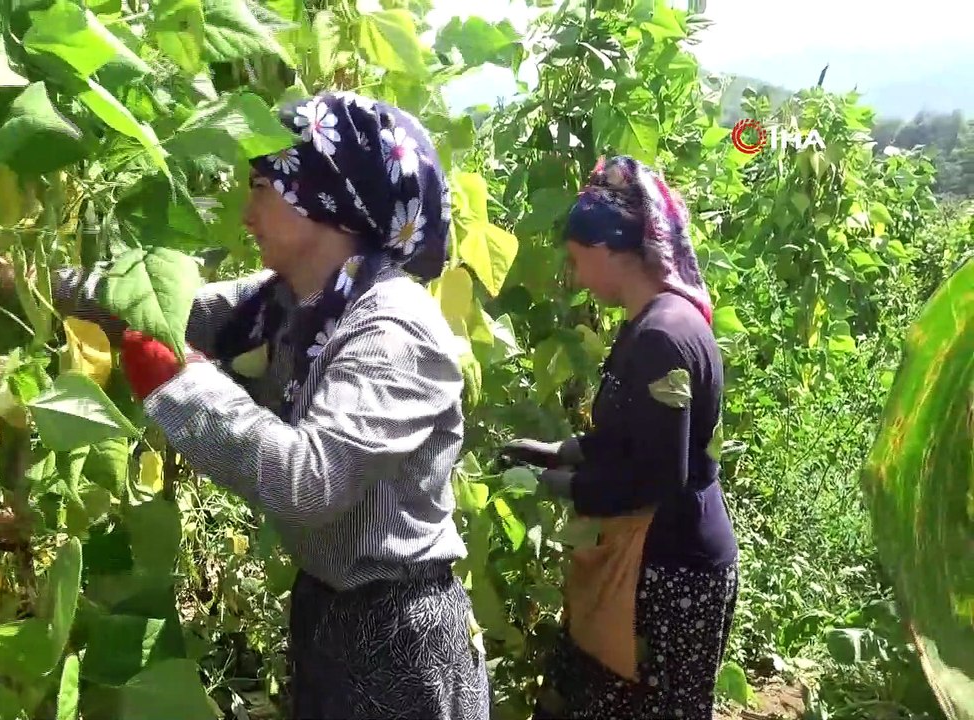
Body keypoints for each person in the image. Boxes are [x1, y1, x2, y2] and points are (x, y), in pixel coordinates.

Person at [44, 92, 488, 719]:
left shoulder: (392, 328)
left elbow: (309, 480)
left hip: (400, 635)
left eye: (262, 187)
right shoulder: (292, 298)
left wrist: (182, 382)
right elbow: (154, 310)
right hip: (329, 607)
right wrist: (18, 282)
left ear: (323, 195)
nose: (247, 213)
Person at [500, 156, 738, 720]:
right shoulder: (655, 321)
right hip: (664, 562)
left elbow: (656, 477)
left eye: (578, 259)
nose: (577, 276)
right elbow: (636, 436)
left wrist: (557, 485)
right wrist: (559, 452)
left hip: (671, 572)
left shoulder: (663, 337)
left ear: (609, 249)